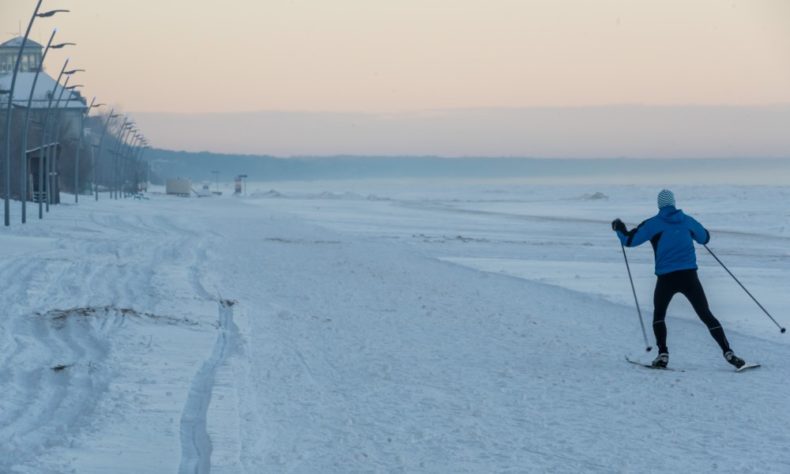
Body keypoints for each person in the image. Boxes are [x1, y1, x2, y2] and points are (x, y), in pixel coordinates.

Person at [611, 189, 745, 369]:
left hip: (666, 278)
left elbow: (629, 242)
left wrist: (620, 229)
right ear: (674, 203)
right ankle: (728, 352)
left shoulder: (652, 224)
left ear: (659, 205)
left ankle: (663, 355)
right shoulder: (687, 221)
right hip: (689, 277)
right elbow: (705, 238)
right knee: (706, 314)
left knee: (659, 315)